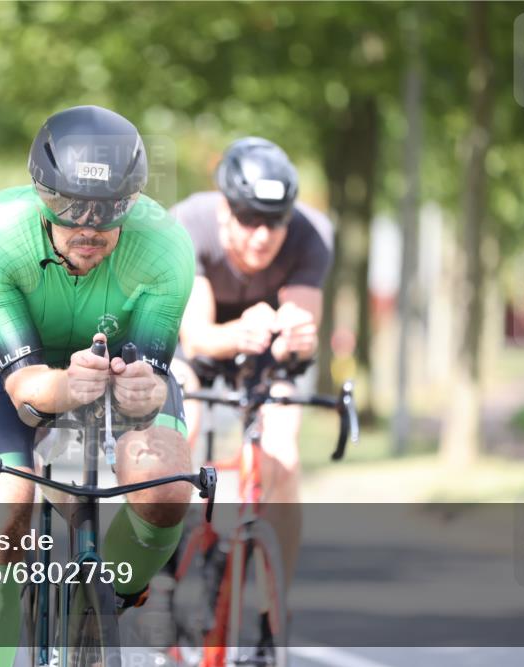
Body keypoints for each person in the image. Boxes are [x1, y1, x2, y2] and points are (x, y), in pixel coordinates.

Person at [0, 105, 195, 667]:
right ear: (40, 193)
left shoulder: (164, 246)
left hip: (115, 353)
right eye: (68, 205)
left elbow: (153, 376)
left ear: (131, 204)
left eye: (109, 211)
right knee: (5, 505)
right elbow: (28, 389)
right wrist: (69, 388)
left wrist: (145, 393)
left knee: (165, 487)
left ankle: (116, 590)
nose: (88, 226)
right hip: (1, 358)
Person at [169, 137, 334, 645]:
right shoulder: (189, 224)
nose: (263, 237)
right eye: (249, 221)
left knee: (281, 457)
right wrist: (238, 330)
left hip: (266, 353)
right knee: (184, 425)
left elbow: (300, 335)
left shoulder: (312, 234)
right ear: (224, 210)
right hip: (200, 344)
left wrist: (297, 336)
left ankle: (271, 611)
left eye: (275, 222)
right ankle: (163, 560)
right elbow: (196, 334)